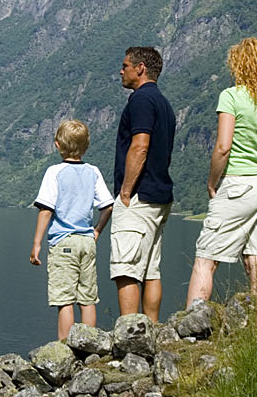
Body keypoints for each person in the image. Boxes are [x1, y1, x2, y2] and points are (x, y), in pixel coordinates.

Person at [186, 37, 257, 306]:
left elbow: (223, 147)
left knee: (206, 259)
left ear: (239, 65)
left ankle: (189, 330)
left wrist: (213, 183)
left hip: (236, 186)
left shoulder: (231, 96)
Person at [30, 119, 114, 341]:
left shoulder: (54, 172)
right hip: (87, 242)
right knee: (87, 298)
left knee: (65, 300)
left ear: (57, 144)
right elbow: (108, 205)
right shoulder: (93, 172)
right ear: (86, 145)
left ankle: (65, 349)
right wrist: (96, 231)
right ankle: (90, 346)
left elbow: (46, 210)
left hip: (63, 242)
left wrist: (37, 243)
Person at [109, 46, 176, 322]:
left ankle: (129, 336)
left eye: (125, 65)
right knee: (150, 270)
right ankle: (152, 329)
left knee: (126, 268)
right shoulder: (164, 104)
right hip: (160, 195)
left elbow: (140, 146)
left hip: (139, 196)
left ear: (141, 69)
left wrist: (126, 191)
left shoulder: (140, 101)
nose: (121, 71)